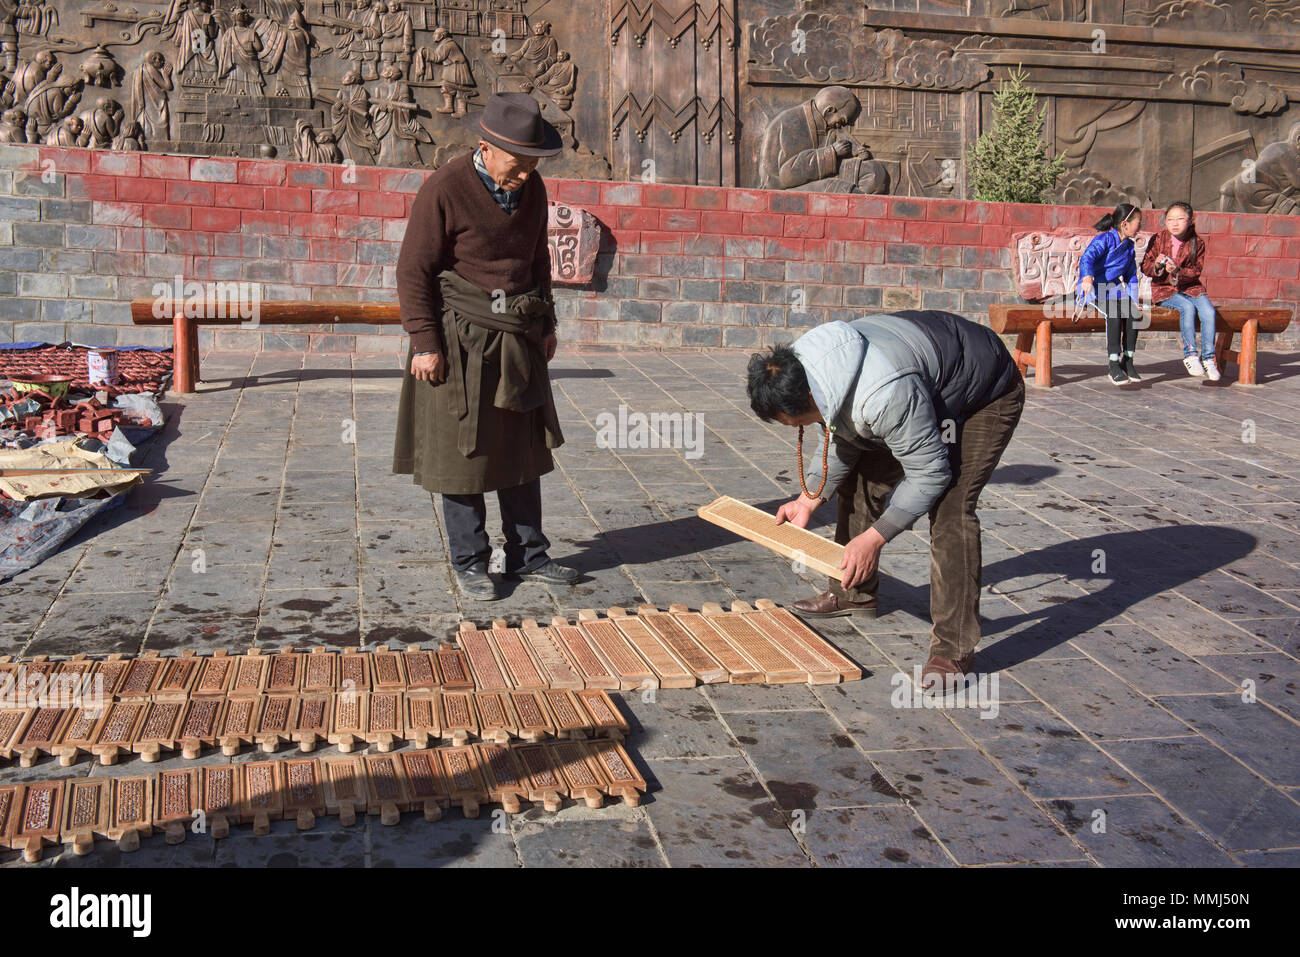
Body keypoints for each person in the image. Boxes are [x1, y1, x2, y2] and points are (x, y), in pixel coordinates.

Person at [748, 311, 1024, 691]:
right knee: (860, 480)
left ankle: (953, 649)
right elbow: (839, 433)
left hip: (983, 392)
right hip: (919, 387)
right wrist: (809, 498)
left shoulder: (883, 395)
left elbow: (930, 473)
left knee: (950, 509)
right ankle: (853, 593)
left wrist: (875, 539)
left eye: (795, 422)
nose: (796, 429)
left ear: (811, 396)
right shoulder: (803, 368)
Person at [393, 93, 577, 601]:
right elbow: (414, 271)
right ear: (486, 148)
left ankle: (528, 556)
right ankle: (471, 562)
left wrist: (548, 323)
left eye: (531, 166)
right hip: (459, 337)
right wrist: (424, 342)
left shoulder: (532, 190)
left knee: (523, 452)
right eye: (516, 166)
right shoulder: (445, 188)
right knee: (464, 455)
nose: (523, 175)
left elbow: (538, 260)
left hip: (519, 336)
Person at [1141, 202, 1219, 380]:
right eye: (1170, 219)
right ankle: (1191, 354)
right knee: (1187, 308)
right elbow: (1145, 267)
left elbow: (1196, 271)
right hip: (1164, 289)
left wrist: (1178, 271)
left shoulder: (1197, 243)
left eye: (1180, 219)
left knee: (1208, 311)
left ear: (1190, 220)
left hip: (1191, 287)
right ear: (1165, 221)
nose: (1175, 223)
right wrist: (1158, 265)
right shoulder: (1158, 239)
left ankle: (1208, 358)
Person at [1075, 203, 1143, 385]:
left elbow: (1130, 275)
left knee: (1133, 313)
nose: (1140, 227)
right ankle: (1113, 364)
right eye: (1138, 222)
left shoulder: (1128, 246)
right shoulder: (1104, 239)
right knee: (1113, 313)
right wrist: (1087, 277)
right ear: (1125, 224)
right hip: (1094, 287)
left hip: (1113, 289)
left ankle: (1128, 361)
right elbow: (1087, 257)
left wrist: (1134, 300)